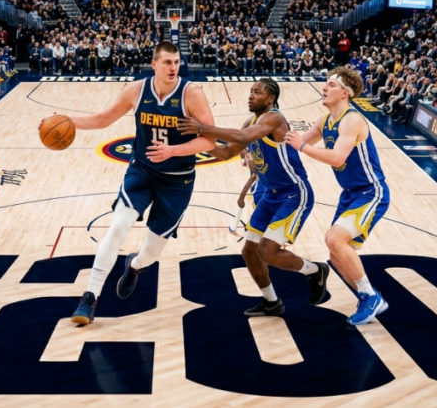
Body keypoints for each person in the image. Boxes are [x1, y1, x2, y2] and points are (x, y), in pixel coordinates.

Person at [51, 41, 216, 326]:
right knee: (117, 227)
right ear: (154, 64)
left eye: (176, 62)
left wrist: (173, 151)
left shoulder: (192, 94)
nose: (173, 67)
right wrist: (65, 120)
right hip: (142, 171)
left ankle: (134, 265)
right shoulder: (136, 91)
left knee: (151, 253)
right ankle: (89, 297)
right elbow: (103, 119)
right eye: (167, 62)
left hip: (177, 180)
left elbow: (210, 140)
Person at [178, 78, 328, 317]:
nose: (251, 95)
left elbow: (240, 137)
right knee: (249, 251)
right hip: (270, 194)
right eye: (251, 91)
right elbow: (226, 152)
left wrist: (201, 128)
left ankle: (315, 271)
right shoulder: (252, 120)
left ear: (270, 99)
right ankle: (271, 301)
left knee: (268, 251)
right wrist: (197, 143)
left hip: (293, 193)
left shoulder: (274, 119)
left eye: (257, 92)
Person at [286, 67, 391, 325]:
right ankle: (369, 297)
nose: (324, 87)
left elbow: (337, 157)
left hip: (371, 191)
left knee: (334, 239)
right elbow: (294, 144)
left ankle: (369, 296)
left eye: (331, 85)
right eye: (326, 83)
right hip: (350, 194)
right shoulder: (325, 121)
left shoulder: (352, 120)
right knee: (336, 255)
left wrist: (303, 145)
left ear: (345, 93)